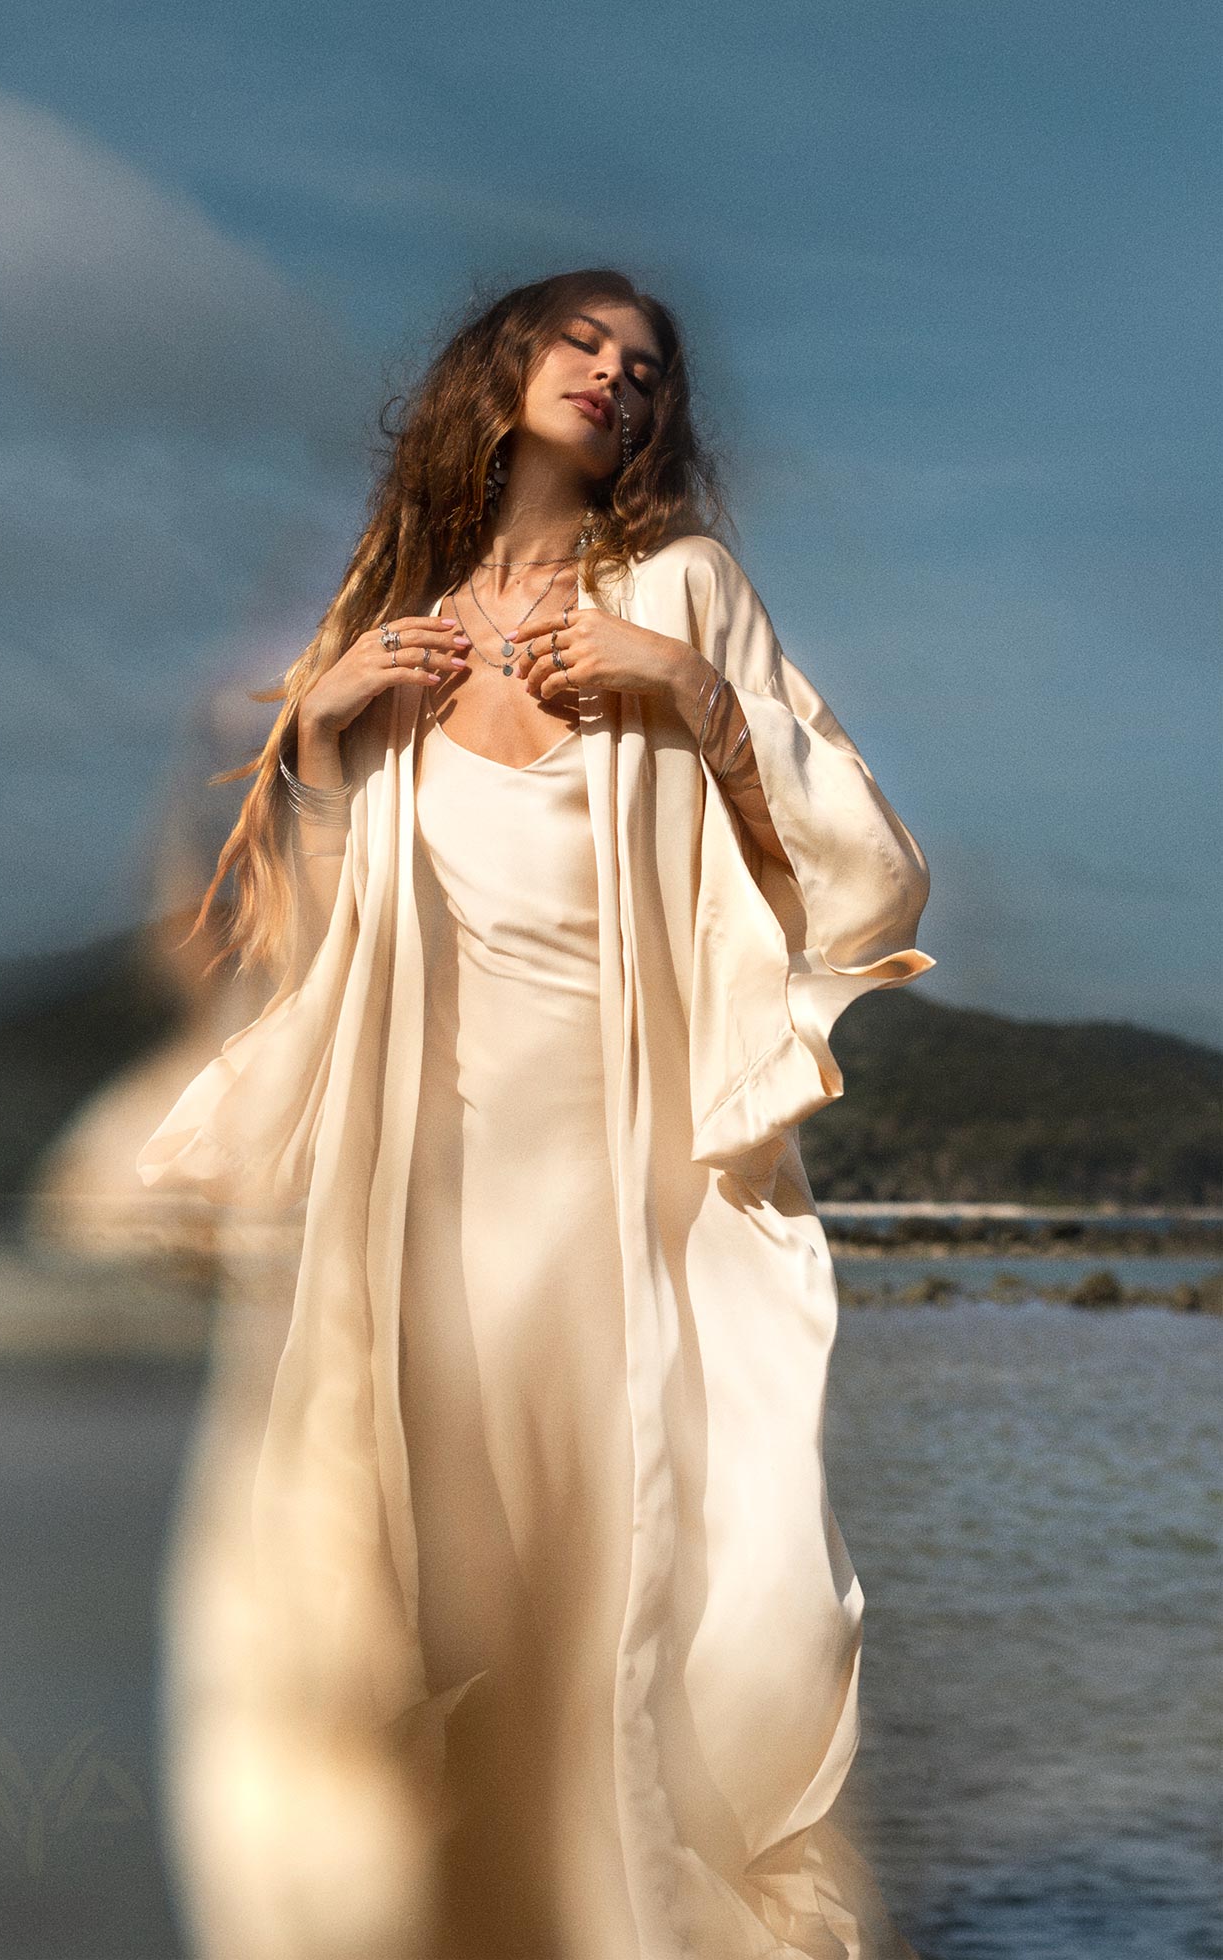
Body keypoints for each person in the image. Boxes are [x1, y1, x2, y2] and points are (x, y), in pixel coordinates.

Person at [137, 267, 936, 1960]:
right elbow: (317, 930)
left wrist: (690, 692)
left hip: (619, 1171)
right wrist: (324, 739)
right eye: (582, 343)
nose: (615, 377)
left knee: (624, 1586)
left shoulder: (681, 589)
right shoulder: (399, 614)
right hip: (426, 1174)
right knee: (406, 1586)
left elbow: (860, 865)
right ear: (499, 373)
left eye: (647, 368)